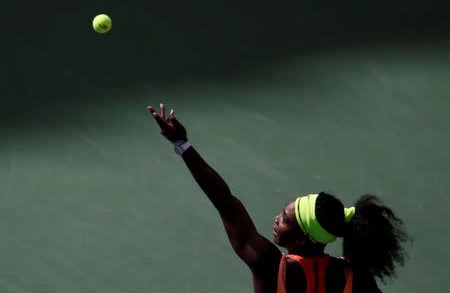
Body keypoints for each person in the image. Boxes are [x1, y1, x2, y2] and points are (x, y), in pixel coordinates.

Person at [147, 103, 410, 293]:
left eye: (284, 219)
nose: (276, 219)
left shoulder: (270, 266)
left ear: (302, 237)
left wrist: (183, 145)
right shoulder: (357, 278)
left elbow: (224, 200)